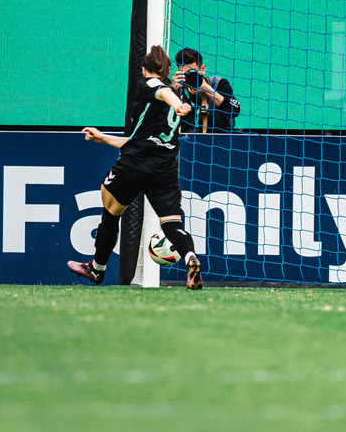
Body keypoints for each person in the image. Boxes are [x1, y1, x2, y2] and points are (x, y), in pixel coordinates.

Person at [68, 45, 203, 290]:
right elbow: (139, 138)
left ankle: (97, 269)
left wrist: (176, 103)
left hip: (134, 165)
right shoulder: (174, 96)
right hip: (165, 170)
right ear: (170, 69)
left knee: (110, 211)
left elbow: (161, 91)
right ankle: (191, 258)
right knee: (172, 225)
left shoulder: (148, 85)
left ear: (143, 70)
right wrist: (104, 137)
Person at [172, 48, 241, 132]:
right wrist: (173, 92)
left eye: (192, 72)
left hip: (217, 137)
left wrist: (208, 90)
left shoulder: (218, 84)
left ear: (203, 69)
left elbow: (235, 110)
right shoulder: (178, 89)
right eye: (185, 73)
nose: (189, 76)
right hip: (186, 137)